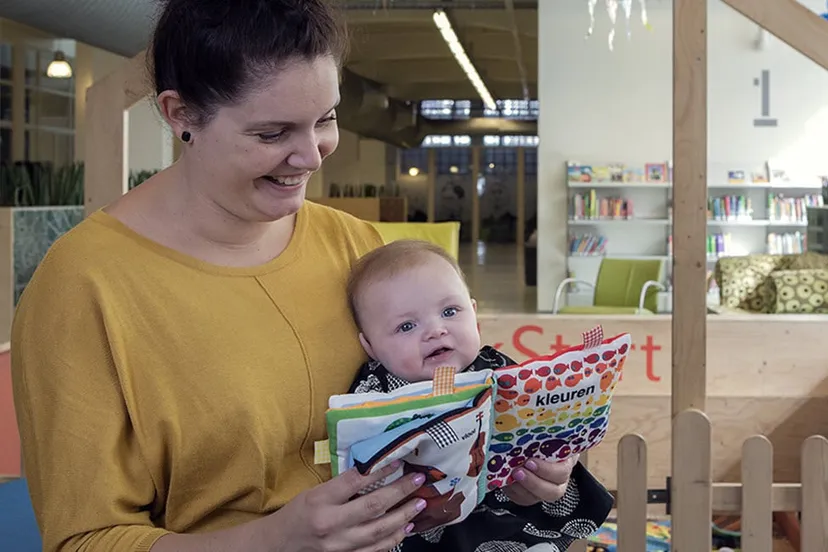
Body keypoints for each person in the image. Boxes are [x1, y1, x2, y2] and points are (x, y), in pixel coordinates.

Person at [9, 2, 586, 552]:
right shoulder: (85, 287)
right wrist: (272, 541)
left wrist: (515, 468)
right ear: (180, 114)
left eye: (326, 120)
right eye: (272, 133)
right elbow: (85, 538)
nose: (311, 156)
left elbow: (440, 410)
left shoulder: (355, 247)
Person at [344, 239, 614, 551]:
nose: (435, 330)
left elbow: (541, 417)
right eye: (406, 326)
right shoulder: (373, 392)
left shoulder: (496, 370)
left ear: (474, 314)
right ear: (370, 347)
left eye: (449, 311)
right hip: (412, 528)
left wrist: (552, 447)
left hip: (503, 516)